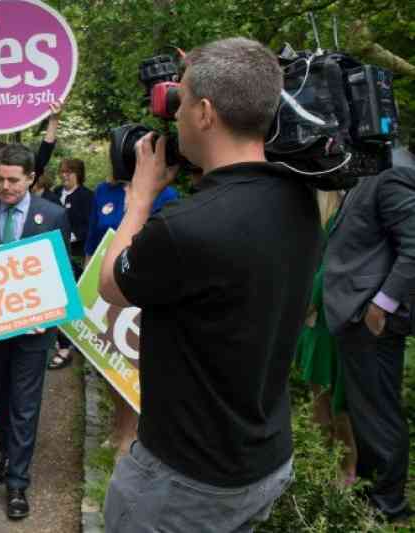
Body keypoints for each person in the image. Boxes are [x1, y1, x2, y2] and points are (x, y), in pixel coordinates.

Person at [98, 38, 320, 531]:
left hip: (185, 482)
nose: (172, 118)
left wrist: (139, 199)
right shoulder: (299, 198)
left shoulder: (184, 227)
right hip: (262, 458)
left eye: (179, 104)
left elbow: (112, 285)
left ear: (203, 112)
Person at [0, 144, 70, 520]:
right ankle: (8, 457)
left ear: (31, 179)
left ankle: (18, 484)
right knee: (3, 398)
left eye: (13, 181)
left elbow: (62, 272)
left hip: (35, 331)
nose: (5, 187)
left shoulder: (52, 214)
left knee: (24, 404)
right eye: (0, 179)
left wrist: (50, 314)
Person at [323, 165, 415, 523]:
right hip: (355, 317)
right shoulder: (364, 178)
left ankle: (389, 508)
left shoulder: (390, 177)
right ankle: (371, 494)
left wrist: (381, 306)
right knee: (366, 413)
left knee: (378, 416)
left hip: (370, 320)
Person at [83, 164, 177, 457]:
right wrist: (86, 276)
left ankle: (131, 431)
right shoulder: (104, 191)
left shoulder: (166, 194)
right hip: (100, 288)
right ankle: (118, 424)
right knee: (105, 363)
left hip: (136, 290)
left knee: (130, 364)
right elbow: (91, 237)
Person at [295, 190, 357, 486]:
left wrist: (309, 304)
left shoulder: (339, 213)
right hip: (309, 315)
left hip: (324, 313)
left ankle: (346, 471)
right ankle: (325, 468)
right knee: (317, 394)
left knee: (334, 398)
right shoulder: (309, 212)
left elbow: (330, 267)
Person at [43, 159, 93, 369]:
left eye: (69, 172)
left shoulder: (87, 196)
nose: (64, 176)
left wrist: (68, 237)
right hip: (52, 252)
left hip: (75, 254)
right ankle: (60, 340)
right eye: (62, 172)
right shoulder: (54, 193)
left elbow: (88, 225)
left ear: (78, 174)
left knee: (69, 298)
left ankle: (69, 344)